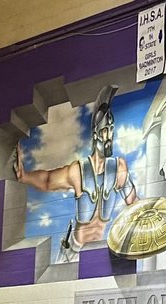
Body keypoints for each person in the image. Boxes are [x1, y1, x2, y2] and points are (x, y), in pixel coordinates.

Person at [14, 85, 138, 260]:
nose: (109, 136)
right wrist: (24, 176)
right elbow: (48, 180)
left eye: (111, 130)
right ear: (95, 135)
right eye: (104, 131)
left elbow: (135, 205)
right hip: (74, 252)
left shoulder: (119, 168)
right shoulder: (78, 171)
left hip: (101, 250)